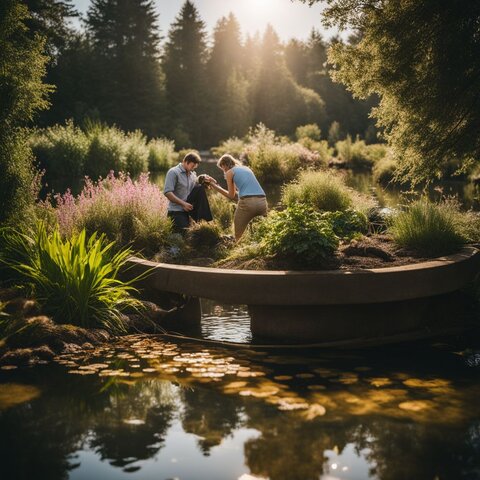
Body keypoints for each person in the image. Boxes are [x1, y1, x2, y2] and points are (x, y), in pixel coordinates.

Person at [210, 154, 267, 241]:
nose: (223, 171)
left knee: (238, 235)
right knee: (263, 231)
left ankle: (238, 247)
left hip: (248, 203)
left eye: (222, 168)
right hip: (262, 201)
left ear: (224, 165)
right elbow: (239, 193)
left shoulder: (230, 172)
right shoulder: (246, 168)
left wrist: (214, 186)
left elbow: (231, 195)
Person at [163, 151, 215, 233]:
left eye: (195, 167)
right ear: (186, 162)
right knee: (185, 234)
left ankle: (207, 220)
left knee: (200, 188)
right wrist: (183, 204)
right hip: (177, 211)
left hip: (189, 209)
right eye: (192, 166)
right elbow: (167, 193)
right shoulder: (173, 172)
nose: (193, 168)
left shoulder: (192, 174)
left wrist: (204, 178)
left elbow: (196, 189)